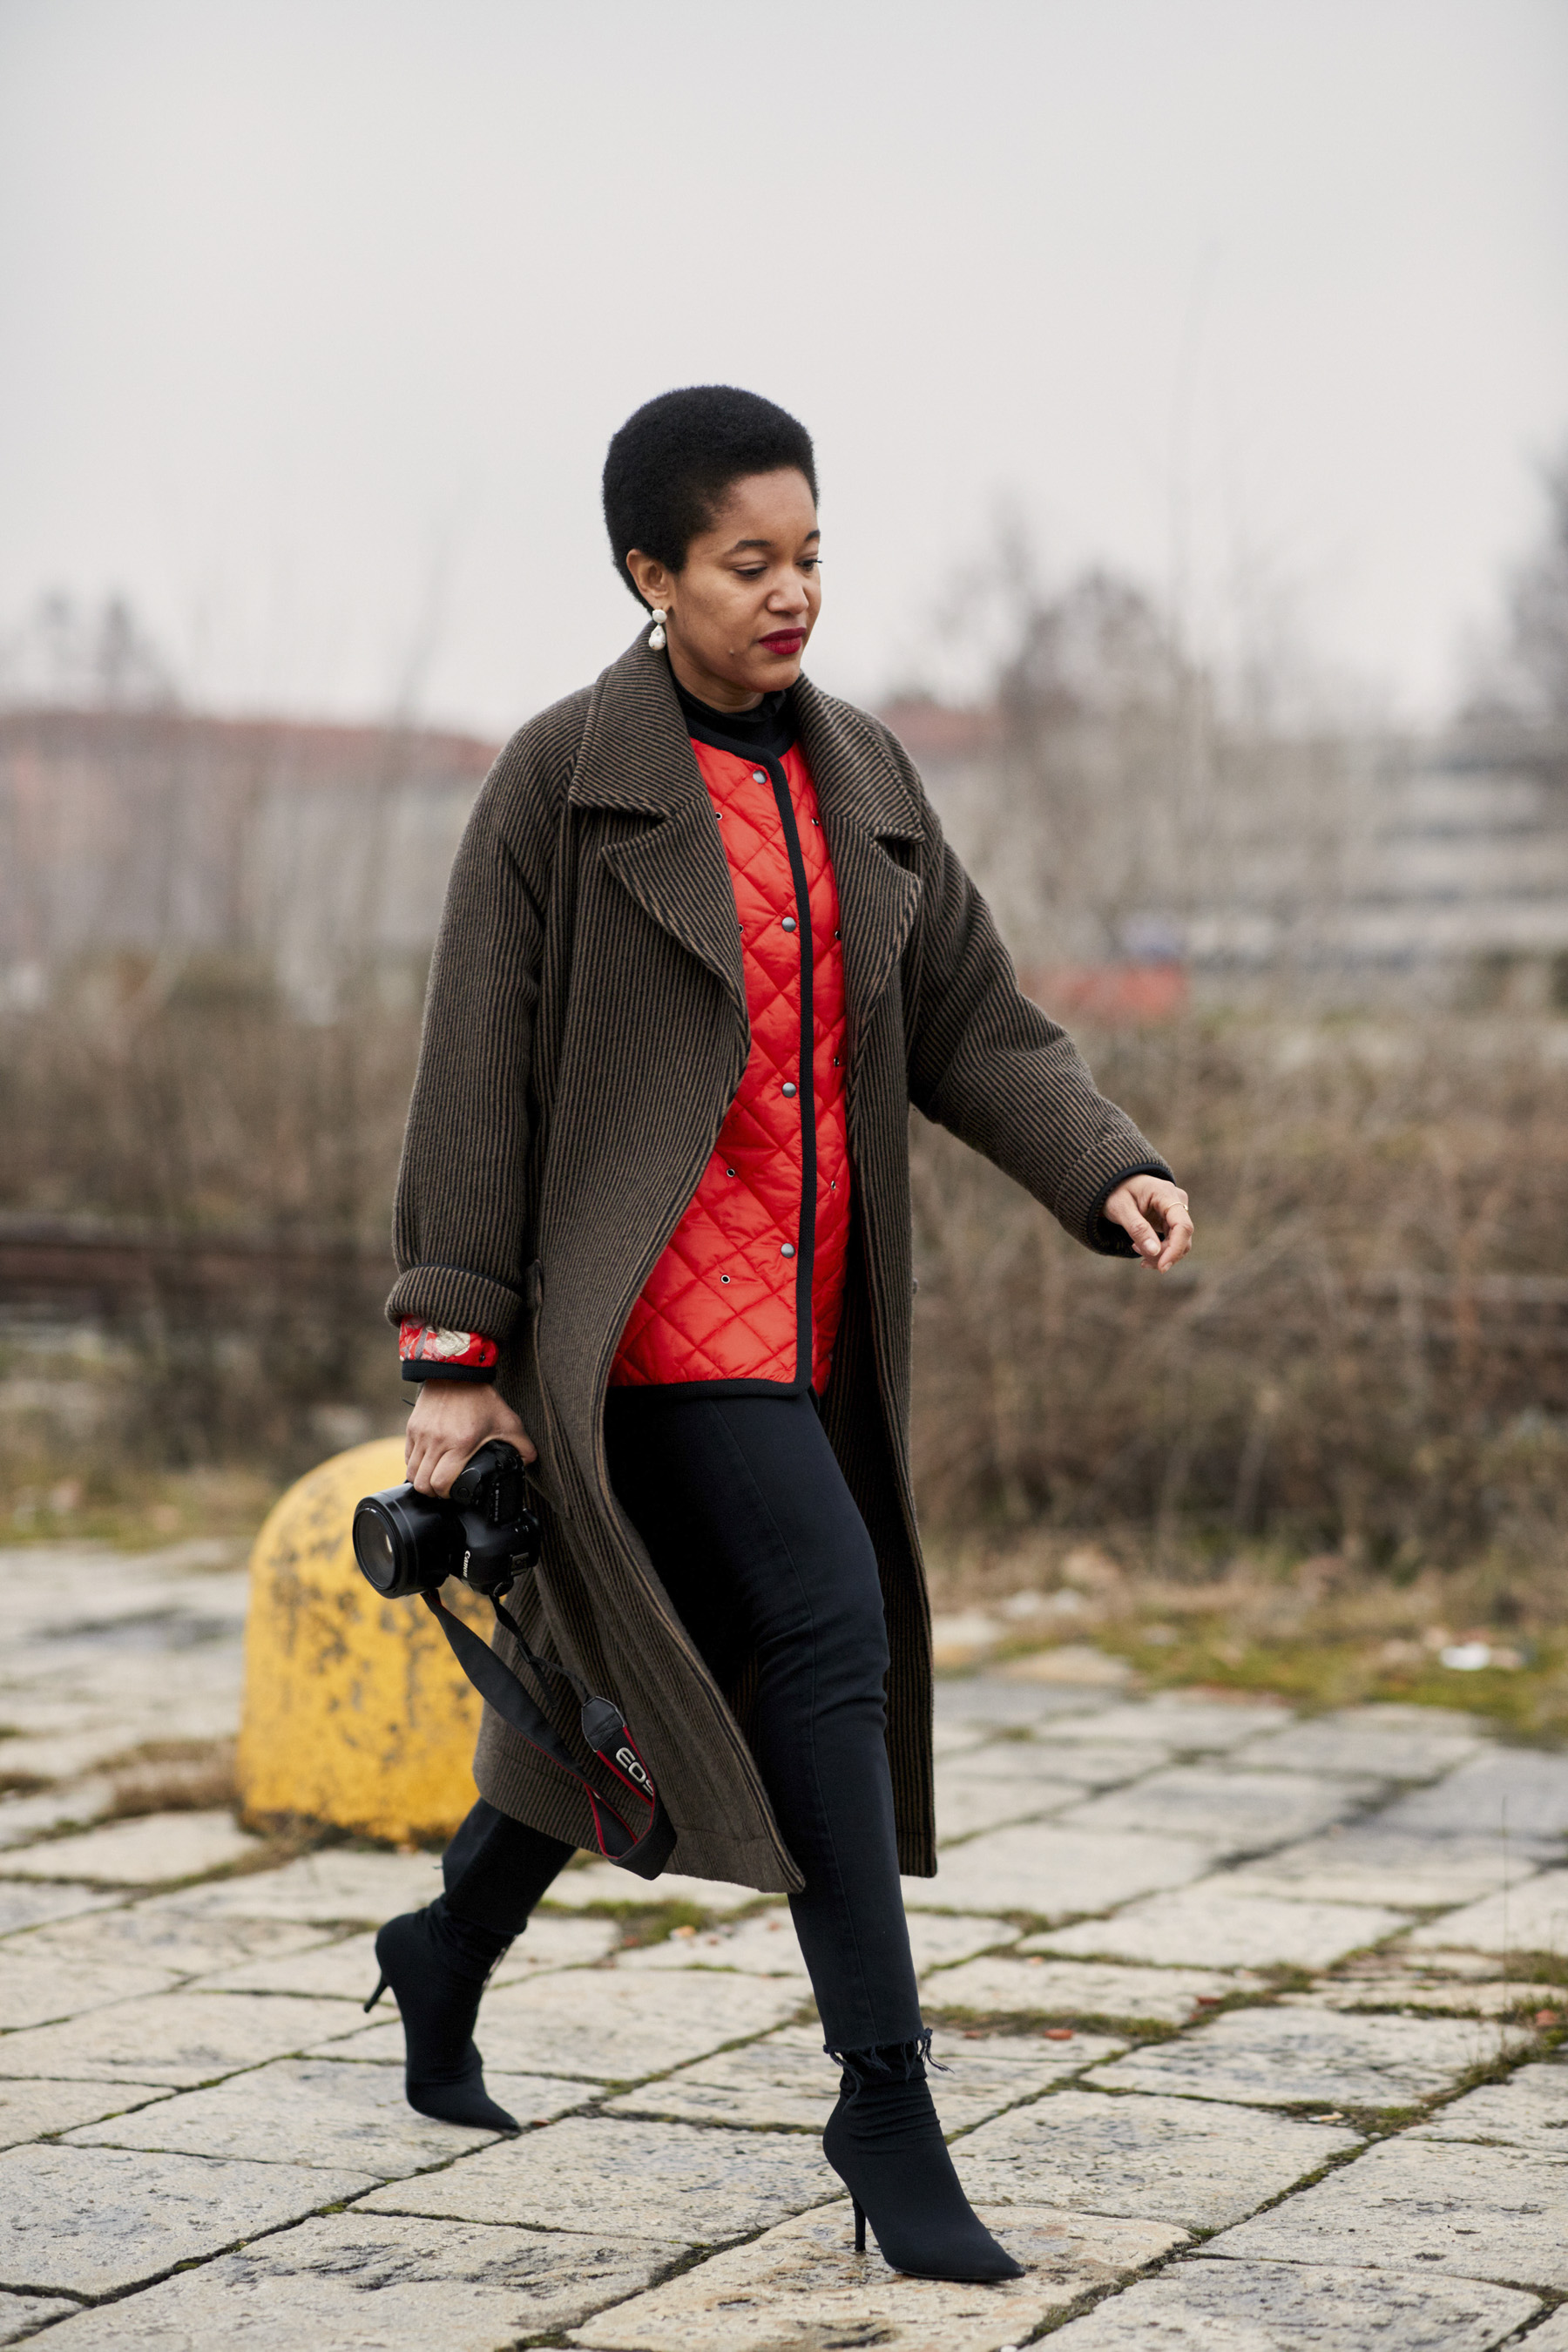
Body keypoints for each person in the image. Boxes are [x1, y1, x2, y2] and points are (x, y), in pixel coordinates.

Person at [368, 385, 1193, 2283]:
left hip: (811, 1326)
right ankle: (884, 2102)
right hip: (642, 1326)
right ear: (650, 574)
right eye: (749, 561)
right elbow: (474, 1071)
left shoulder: (863, 774)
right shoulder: (563, 779)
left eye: (811, 553)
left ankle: (448, 1945)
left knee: (631, 1662)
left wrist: (1105, 1166)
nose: (793, 591)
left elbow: (973, 1018)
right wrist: (454, 1359)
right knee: (825, 1631)